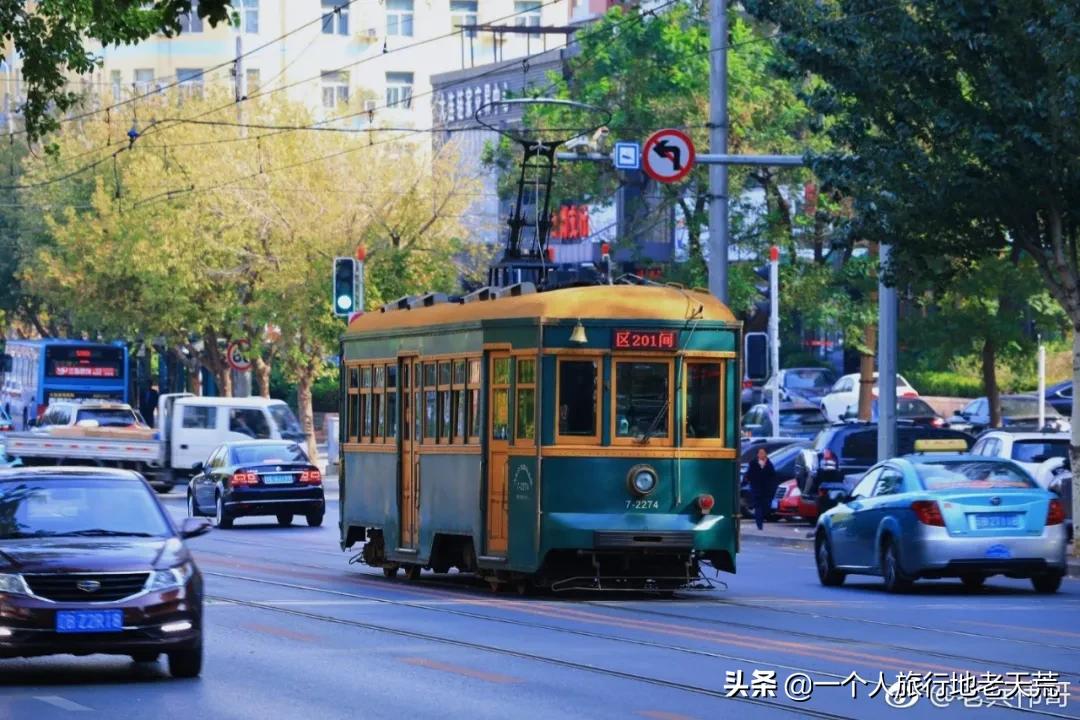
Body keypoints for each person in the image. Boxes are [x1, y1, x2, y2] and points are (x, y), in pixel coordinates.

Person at [745, 447, 778, 531]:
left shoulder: (769, 464)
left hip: (767, 490)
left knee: (766, 506)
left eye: (763, 453)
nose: (761, 455)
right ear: (757, 454)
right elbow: (748, 475)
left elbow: (773, 477)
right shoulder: (753, 463)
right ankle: (759, 524)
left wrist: (772, 486)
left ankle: (762, 518)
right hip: (756, 489)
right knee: (758, 507)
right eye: (760, 453)